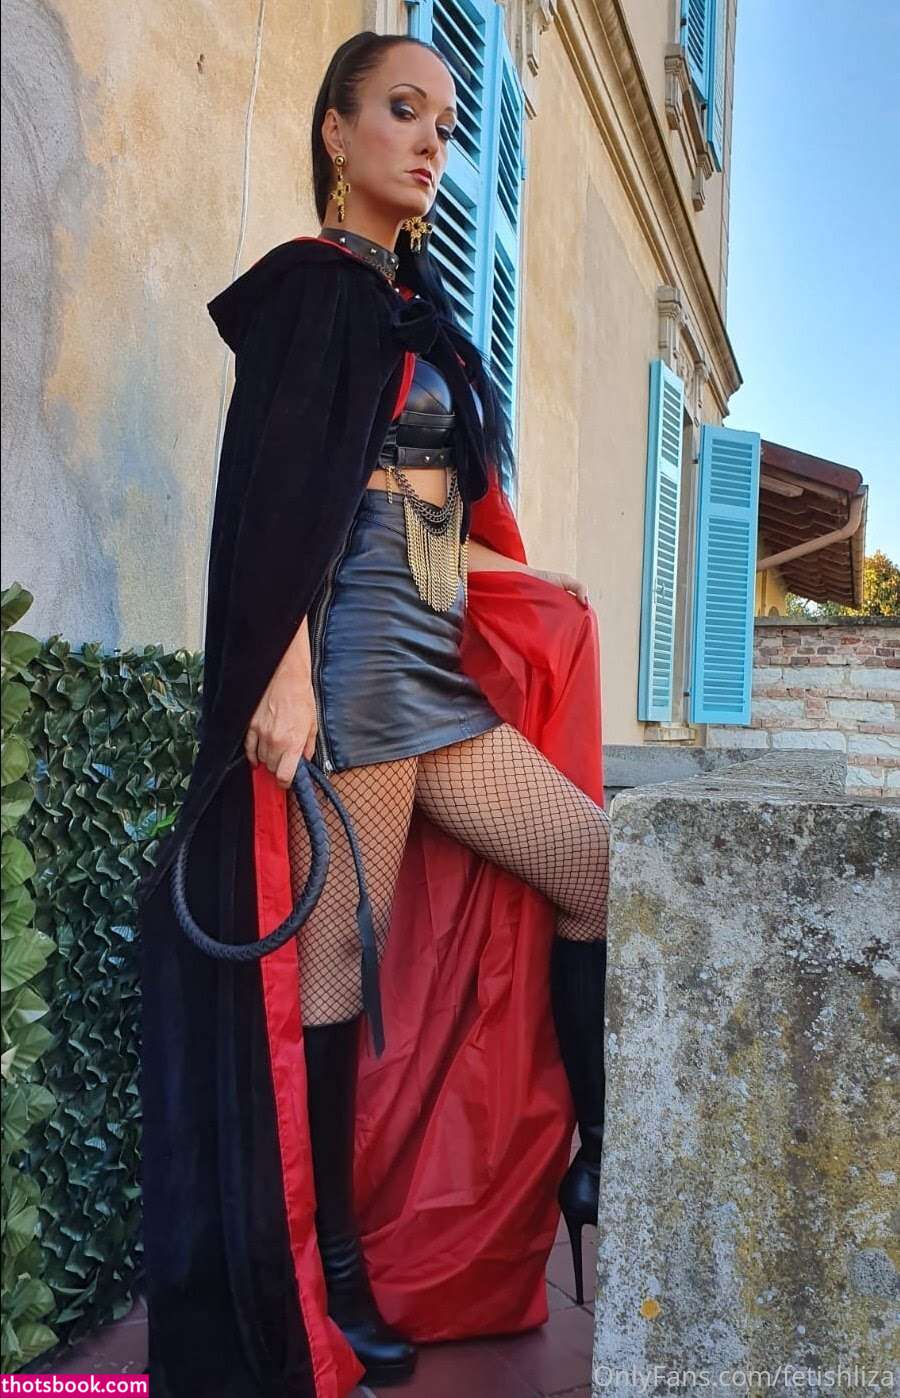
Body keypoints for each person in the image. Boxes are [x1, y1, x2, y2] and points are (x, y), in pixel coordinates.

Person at [138, 29, 609, 1398]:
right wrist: (283, 671)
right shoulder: (307, 293)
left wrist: (536, 587)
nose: (431, 142)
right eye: (403, 110)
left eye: (447, 123)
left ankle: (594, 1159)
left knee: (591, 860)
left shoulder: (416, 316)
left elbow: (437, 527)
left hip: (434, 673)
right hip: (345, 668)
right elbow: (275, 503)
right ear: (336, 134)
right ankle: (330, 1268)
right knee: (336, 968)